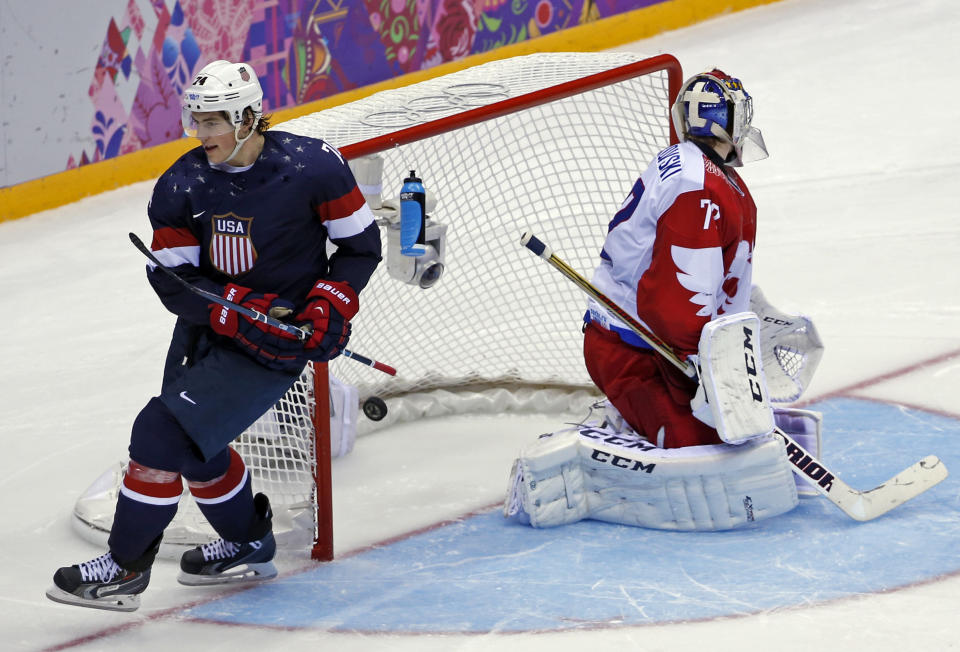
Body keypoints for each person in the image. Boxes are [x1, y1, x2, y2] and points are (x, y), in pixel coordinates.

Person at [46, 60, 382, 612]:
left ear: (249, 117)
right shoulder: (182, 183)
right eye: (195, 121)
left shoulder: (314, 167)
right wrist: (236, 308)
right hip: (207, 330)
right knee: (197, 451)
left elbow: (360, 247)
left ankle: (124, 570)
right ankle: (249, 544)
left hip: (274, 344)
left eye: (214, 122)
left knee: (157, 433)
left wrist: (329, 303)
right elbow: (173, 281)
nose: (201, 135)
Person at [582, 68, 769, 450]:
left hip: (660, 342)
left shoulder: (703, 170)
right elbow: (674, 300)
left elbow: (711, 273)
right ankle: (615, 424)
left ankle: (641, 418)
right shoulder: (697, 187)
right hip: (635, 349)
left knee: (740, 434)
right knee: (703, 445)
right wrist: (700, 366)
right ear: (722, 120)